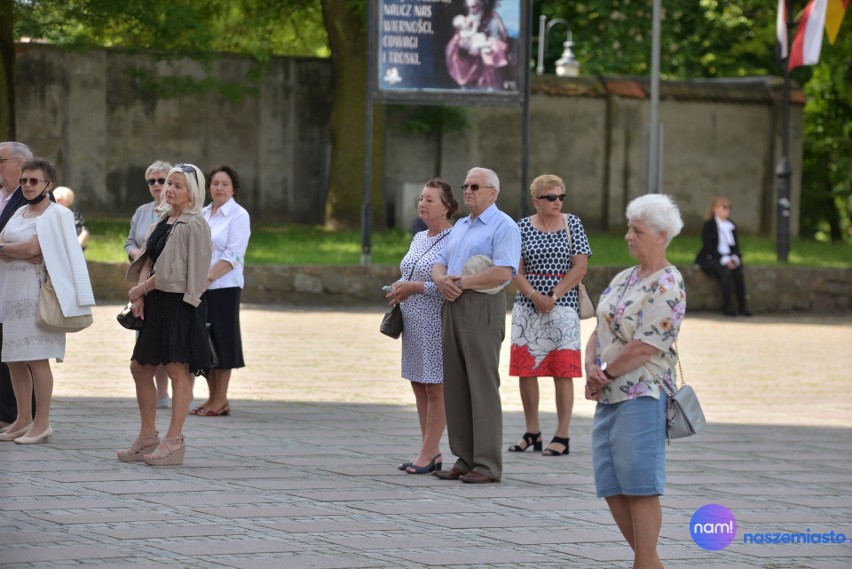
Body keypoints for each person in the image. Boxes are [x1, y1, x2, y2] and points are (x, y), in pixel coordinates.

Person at [585, 194, 686, 569]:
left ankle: (644, 563)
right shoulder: (625, 277)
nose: (628, 236)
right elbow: (600, 325)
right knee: (611, 484)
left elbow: (645, 345)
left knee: (640, 485)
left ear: (661, 235)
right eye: (629, 227)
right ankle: (651, 563)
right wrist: (590, 369)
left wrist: (605, 372)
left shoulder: (669, 284)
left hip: (642, 393)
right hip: (608, 393)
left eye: (637, 230)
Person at [118, 163, 212, 466]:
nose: (169, 189)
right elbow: (149, 257)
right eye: (168, 183)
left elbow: (175, 270)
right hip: (156, 302)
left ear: (191, 193)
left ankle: (174, 439)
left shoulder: (194, 223)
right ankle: (148, 436)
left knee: (176, 370)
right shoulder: (163, 219)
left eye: (177, 185)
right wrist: (142, 294)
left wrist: (140, 288)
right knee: (140, 367)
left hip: (180, 304)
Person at [431, 167, 520, 484]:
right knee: (455, 384)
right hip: (452, 303)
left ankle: (486, 464)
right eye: (465, 185)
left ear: (492, 193)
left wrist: (463, 281)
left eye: (475, 186)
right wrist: (441, 280)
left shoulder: (503, 226)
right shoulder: (461, 227)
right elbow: (440, 262)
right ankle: (464, 457)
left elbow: (503, 272)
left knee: (481, 385)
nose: (467, 190)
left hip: (482, 306)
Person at [0, 157, 95, 444]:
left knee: (37, 359)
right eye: (24, 181)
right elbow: (13, 247)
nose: (27, 186)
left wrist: (12, 249)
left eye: (34, 181)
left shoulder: (57, 214)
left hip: (38, 295)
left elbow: (33, 247)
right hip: (11, 292)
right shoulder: (19, 214)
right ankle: (22, 419)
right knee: (14, 360)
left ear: (48, 184)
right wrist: (14, 250)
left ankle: (42, 424)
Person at [508, 175, 591, 457]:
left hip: (563, 304)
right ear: (536, 201)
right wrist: (534, 296)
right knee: (526, 369)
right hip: (527, 304)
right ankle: (532, 431)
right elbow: (514, 270)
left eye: (561, 197)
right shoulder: (521, 227)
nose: (558, 202)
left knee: (562, 370)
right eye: (551, 197)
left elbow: (580, 267)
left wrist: (552, 296)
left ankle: (562, 434)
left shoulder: (573, 223)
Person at [387, 178, 457, 474]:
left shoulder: (454, 239)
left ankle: (430, 451)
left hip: (435, 318)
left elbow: (451, 284)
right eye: (421, 198)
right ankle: (429, 448)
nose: (422, 204)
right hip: (412, 320)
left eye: (430, 200)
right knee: (418, 383)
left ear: (447, 207)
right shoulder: (418, 237)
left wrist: (415, 287)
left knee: (435, 387)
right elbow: (410, 271)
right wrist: (399, 286)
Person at [192, 165, 251, 417]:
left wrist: (207, 278)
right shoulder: (203, 213)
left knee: (222, 341)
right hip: (198, 287)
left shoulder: (238, 215)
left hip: (223, 287)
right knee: (203, 344)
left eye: (224, 184)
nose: (219, 188)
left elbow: (233, 255)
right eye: (215, 183)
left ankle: (221, 399)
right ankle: (210, 397)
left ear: (234, 188)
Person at [126, 160, 173, 409]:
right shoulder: (142, 211)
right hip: (143, 280)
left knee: (167, 342)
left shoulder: (177, 213)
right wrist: (137, 254)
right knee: (144, 339)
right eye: (151, 181)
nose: (157, 185)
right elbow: (130, 241)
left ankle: (165, 393)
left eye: (162, 180)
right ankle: (153, 392)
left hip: (166, 283)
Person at [0, 141, 35, 428]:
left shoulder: (31, 200)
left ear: (19, 164)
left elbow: (32, 249)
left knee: (23, 351)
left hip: (21, 286)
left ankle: (20, 414)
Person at [695, 197, 751, 316]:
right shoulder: (709, 225)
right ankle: (727, 306)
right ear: (716, 209)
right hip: (712, 257)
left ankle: (743, 306)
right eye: (724, 207)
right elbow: (708, 246)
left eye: (729, 208)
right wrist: (724, 259)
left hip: (728, 256)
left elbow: (735, 246)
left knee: (738, 272)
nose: (727, 210)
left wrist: (734, 258)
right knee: (726, 272)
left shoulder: (731, 225)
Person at [445, 0, 509, 90]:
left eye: (474, 6)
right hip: (470, 73)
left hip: (488, 76)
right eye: (469, 7)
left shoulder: (493, 21)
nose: (471, 10)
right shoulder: (465, 21)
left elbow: (500, 47)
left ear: (482, 5)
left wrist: (481, 50)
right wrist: (460, 45)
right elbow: (455, 43)